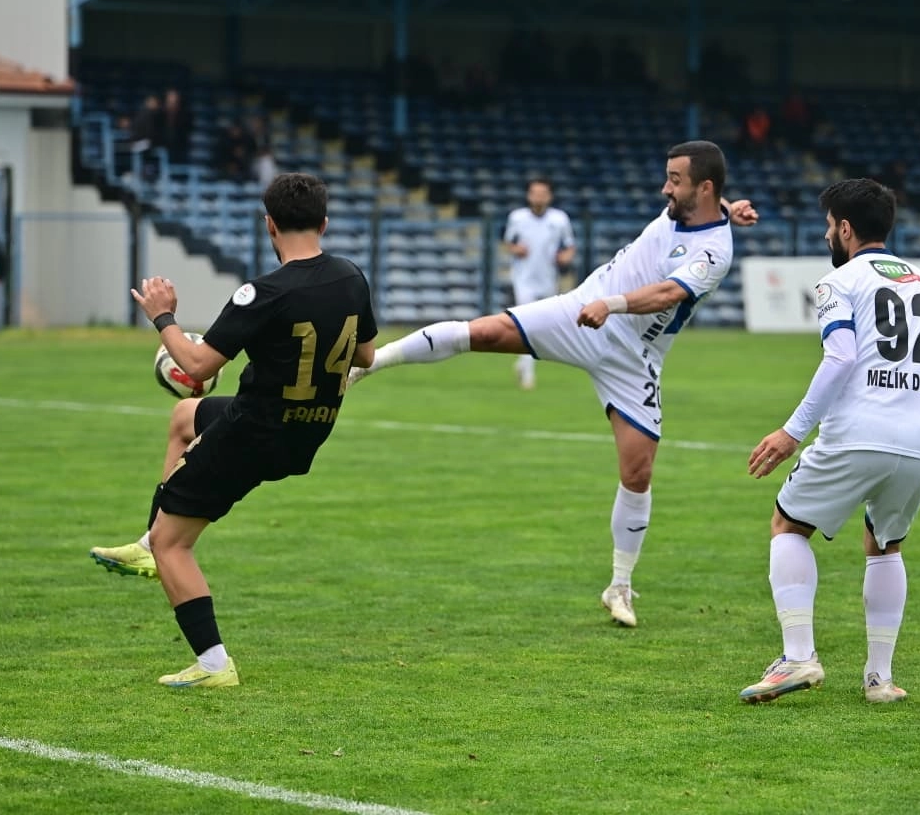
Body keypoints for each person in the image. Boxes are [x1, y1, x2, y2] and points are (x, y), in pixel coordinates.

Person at [351, 141, 757, 628]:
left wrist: (614, 304)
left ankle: (620, 586)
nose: (664, 188)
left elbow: (669, 292)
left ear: (703, 187)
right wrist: (729, 206)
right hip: (579, 311)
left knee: (638, 472)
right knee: (483, 332)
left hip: (634, 357)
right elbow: (708, 208)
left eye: (675, 179)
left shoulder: (715, 251)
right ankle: (370, 364)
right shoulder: (689, 210)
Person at [89, 172, 378, 688]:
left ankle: (213, 663)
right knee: (184, 417)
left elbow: (198, 365)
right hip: (305, 429)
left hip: (253, 433)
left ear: (269, 225)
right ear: (324, 223)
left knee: (174, 545)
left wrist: (163, 317)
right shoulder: (351, 278)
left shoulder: (263, 293)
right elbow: (366, 354)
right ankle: (148, 542)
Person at [739, 179, 920, 705]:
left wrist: (792, 431)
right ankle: (880, 680)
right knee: (885, 544)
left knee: (788, 525)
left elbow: (842, 356)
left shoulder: (838, 282)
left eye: (829, 225)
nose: (828, 234)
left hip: (859, 433)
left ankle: (798, 658)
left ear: (845, 229)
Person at [502, 178, 577, 390]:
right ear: (528, 195)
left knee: (542, 326)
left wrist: (565, 257)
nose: (539, 197)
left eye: (543, 193)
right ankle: (528, 373)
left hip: (548, 279)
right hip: (523, 280)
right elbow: (508, 243)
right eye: (535, 193)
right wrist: (516, 250)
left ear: (550, 196)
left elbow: (570, 246)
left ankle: (522, 363)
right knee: (527, 323)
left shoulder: (559, 219)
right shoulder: (517, 218)